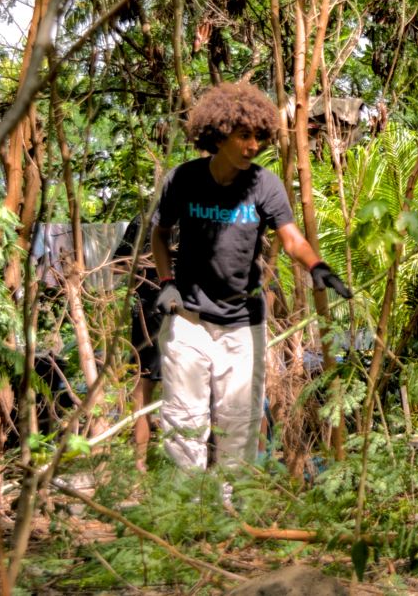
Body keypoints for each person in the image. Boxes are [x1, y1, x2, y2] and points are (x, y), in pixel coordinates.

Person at [150, 83, 352, 479]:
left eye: (259, 136)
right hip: (189, 319)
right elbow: (160, 234)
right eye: (244, 136)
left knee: (240, 422)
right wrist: (166, 282)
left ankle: (230, 507)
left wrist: (316, 266)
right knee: (183, 420)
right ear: (219, 135)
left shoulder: (264, 184)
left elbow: (291, 239)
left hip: (243, 324)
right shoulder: (183, 180)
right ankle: (183, 505)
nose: (254, 145)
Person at [113, 214, 166, 472]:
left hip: (186, 311)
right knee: (143, 387)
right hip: (150, 311)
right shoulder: (144, 219)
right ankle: (140, 465)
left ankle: (180, 466)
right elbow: (117, 265)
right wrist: (144, 263)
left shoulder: (197, 211)